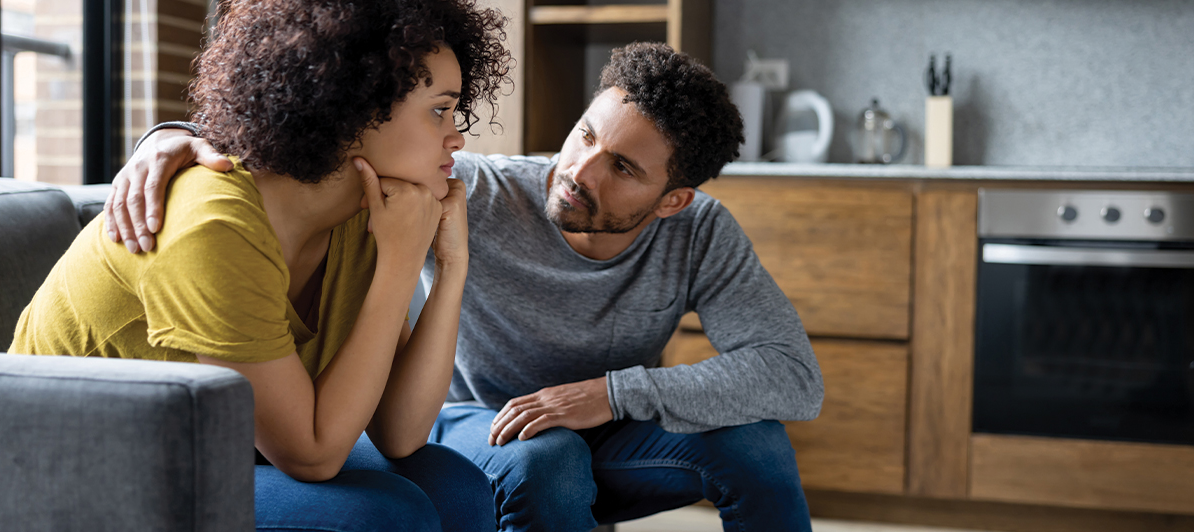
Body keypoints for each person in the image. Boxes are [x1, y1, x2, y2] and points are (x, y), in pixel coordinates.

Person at [108, 43, 825, 531]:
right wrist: (169, 137)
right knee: (549, 462)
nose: (581, 170)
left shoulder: (701, 233)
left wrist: (606, 395)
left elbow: (792, 377)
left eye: (624, 170)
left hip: (613, 431)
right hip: (472, 422)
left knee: (756, 446)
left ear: (673, 200)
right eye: (584, 136)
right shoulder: (477, 190)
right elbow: (308, 141)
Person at [10, 0, 513, 532]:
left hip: (215, 447)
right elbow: (313, 455)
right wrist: (401, 263)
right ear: (353, 107)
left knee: (457, 487)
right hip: (83, 472)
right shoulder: (211, 225)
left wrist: (451, 267)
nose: (457, 136)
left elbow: (401, 432)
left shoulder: (362, 212)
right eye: (439, 111)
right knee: (386, 513)